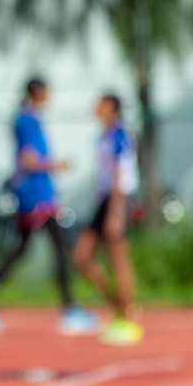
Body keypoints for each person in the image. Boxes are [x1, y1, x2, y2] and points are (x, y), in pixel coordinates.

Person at [0, 77, 99, 336]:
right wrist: (54, 166)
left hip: (37, 194)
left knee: (22, 249)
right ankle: (69, 310)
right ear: (38, 93)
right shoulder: (28, 121)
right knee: (58, 249)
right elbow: (28, 160)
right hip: (36, 196)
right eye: (47, 92)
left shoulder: (30, 119)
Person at [72, 93, 142, 346]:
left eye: (101, 104)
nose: (96, 108)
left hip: (117, 200)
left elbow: (121, 174)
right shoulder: (102, 136)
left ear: (112, 109)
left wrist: (115, 211)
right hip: (103, 200)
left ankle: (128, 317)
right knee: (82, 257)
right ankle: (119, 307)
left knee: (118, 258)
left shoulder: (119, 135)